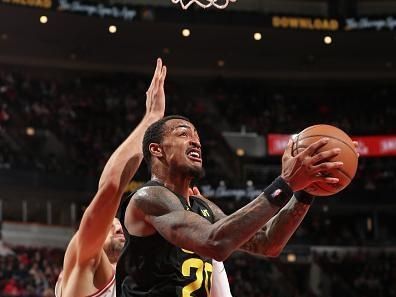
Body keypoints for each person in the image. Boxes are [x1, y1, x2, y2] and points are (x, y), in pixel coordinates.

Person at [116, 110, 347, 296]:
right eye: (183, 134)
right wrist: (285, 183)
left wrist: (304, 190)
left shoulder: (203, 208)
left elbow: (268, 243)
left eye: (197, 136)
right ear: (156, 150)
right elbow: (215, 243)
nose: (196, 142)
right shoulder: (148, 198)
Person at [54, 58, 167, 297]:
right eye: (110, 226)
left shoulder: (130, 281)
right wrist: (152, 118)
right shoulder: (84, 261)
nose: (118, 227)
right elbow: (111, 188)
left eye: (118, 225)